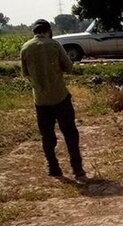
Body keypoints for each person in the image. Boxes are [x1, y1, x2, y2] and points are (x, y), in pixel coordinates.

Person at [20, 19, 86, 181]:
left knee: (47, 135)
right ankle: (77, 169)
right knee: (70, 132)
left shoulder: (26, 48)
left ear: (34, 32)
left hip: (41, 100)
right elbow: (68, 67)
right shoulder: (54, 45)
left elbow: (25, 73)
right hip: (60, 97)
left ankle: (53, 168)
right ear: (48, 30)